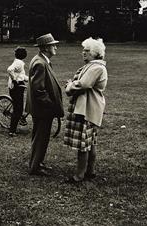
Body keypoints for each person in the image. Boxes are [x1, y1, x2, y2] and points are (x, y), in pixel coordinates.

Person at [64, 37, 108, 183]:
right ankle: (90, 171)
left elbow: (83, 84)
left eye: (86, 50)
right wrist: (73, 83)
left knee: (84, 144)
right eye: (83, 50)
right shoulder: (92, 65)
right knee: (90, 142)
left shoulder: (96, 67)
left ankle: (80, 175)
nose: (83, 52)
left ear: (95, 53)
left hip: (87, 109)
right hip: (87, 107)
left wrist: (70, 86)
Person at [26, 33, 64, 176]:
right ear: (46, 47)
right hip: (42, 110)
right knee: (41, 137)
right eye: (53, 45)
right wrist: (50, 105)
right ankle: (35, 167)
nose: (56, 47)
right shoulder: (40, 63)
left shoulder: (42, 60)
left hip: (42, 109)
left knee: (41, 136)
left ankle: (38, 163)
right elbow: (39, 90)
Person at [7, 47, 29, 136]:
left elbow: (21, 75)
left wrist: (29, 79)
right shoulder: (19, 63)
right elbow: (9, 69)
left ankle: (19, 120)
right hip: (16, 87)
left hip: (17, 86)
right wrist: (15, 80)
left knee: (18, 107)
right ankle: (12, 131)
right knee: (18, 110)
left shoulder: (18, 62)